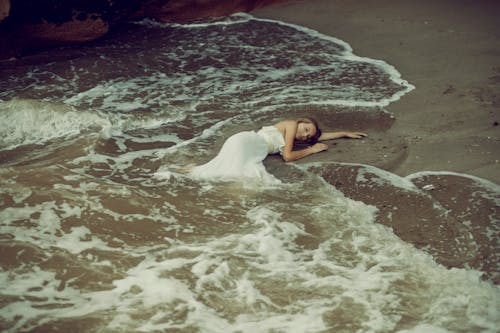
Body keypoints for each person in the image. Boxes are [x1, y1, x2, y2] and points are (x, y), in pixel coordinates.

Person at [189, 117, 367, 182]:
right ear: (300, 121)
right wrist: (312, 150)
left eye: (307, 136)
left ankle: (186, 171)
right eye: (305, 129)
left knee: (218, 169)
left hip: (243, 141)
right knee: (243, 178)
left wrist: (344, 133)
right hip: (247, 143)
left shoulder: (293, 133)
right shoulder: (290, 125)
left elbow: (319, 136)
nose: (304, 136)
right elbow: (288, 157)